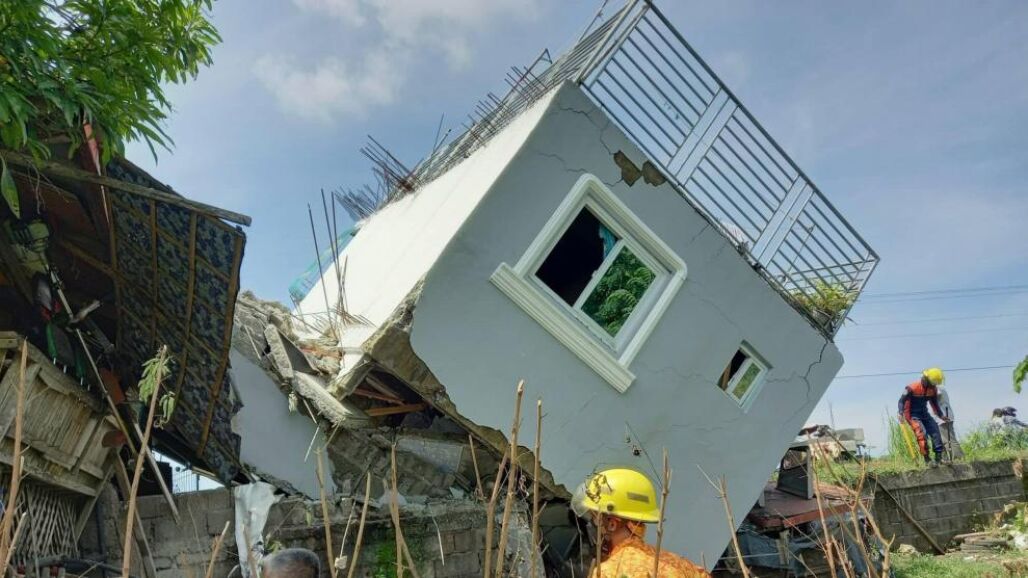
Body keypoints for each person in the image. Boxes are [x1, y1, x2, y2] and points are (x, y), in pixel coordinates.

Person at [573, 468, 710, 578]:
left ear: (612, 524)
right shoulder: (680, 564)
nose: (591, 524)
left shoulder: (608, 573)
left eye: (594, 518)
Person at [897, 367, 950, 466]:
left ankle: (939, 458)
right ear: (926, 379)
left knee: (935, 432)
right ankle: (927, 460)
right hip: (912, 415)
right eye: (933, 383)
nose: (934, 386)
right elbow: (901, 401)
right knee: (922, 434)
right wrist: (900, 413)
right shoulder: (911, 388)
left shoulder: (933, 390)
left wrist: (941, 415)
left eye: (935, 384)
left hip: (924, 414)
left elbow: (934, 404)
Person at [935, 381, 963, 460]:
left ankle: (958, 458)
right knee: (941, 441)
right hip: (942, 416)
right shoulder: (940, 387)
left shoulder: (936, 388)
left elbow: (936, 396)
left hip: (943, 416)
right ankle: (945, 460)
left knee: (949, 439)